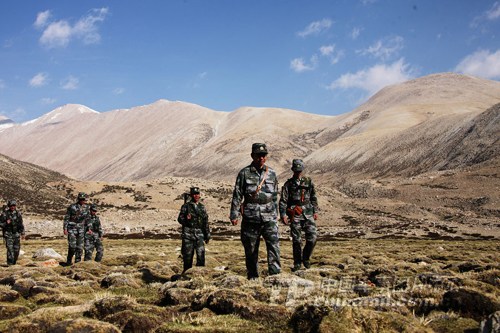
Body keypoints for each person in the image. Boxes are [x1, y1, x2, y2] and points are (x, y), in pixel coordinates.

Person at [230, 143, 281, 279]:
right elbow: (237, 194)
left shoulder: (271, 173)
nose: (261, 158)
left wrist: (276, 213)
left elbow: (274, 195)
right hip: (251, 217)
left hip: (269, 216)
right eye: (258, 155)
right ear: (252, 156)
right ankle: (253, 277)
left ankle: (275, 276)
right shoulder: (244, 173)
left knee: (274, 246)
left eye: (263, 155)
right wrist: (234, 214)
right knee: (251, 249)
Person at [279, 159, 319, 271]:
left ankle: (305, 258)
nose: (298, 173)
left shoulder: (308, 182)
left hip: (308, 213)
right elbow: (283, 200)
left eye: (300, 170)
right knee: (297, 240)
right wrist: (283, 215)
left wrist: (315, 211)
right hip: (295, 214)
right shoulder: (288, 184)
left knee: (313, 237)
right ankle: (297, 262)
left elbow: (313, 197)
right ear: (293, 170)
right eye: (296, 170)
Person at [177, 187, 210, 272]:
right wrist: (187, 220)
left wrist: (207, 234)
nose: (196, 196)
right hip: (188, 235)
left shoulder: (202, 207)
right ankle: (186, 276)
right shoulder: (186, 206)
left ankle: (200, 275)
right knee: (187, 257)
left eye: (198, 194)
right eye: (194, 194)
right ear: (191, 195)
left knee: (201, 256)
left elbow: (205, 221)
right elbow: (180, 219)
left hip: (199, 235)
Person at [63, 192, 89, 265]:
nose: (83, 201)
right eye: (81, 199)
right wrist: (65, 228)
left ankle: (78, 263)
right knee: (72, 246)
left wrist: (89, 228)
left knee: (80, 247)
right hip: (72, 228)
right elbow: (66, 218)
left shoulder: (86, 207)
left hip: (81, 229)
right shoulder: (72, 207)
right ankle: (69, 260)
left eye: (84, 199)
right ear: (78, 199)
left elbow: (87, 219)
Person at [0, 200, 25, 265]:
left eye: (14, 205)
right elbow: (0, 224)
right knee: (10, 250)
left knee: (16, 250)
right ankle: (10, 264)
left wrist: (22, 233)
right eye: (11, 206)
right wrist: (6, 223)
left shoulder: (18, 214)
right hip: (8, 235)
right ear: (9, 206)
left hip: (16, 234)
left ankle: (14, 263)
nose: (13, 207)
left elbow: (21, 224)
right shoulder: (4, 214)